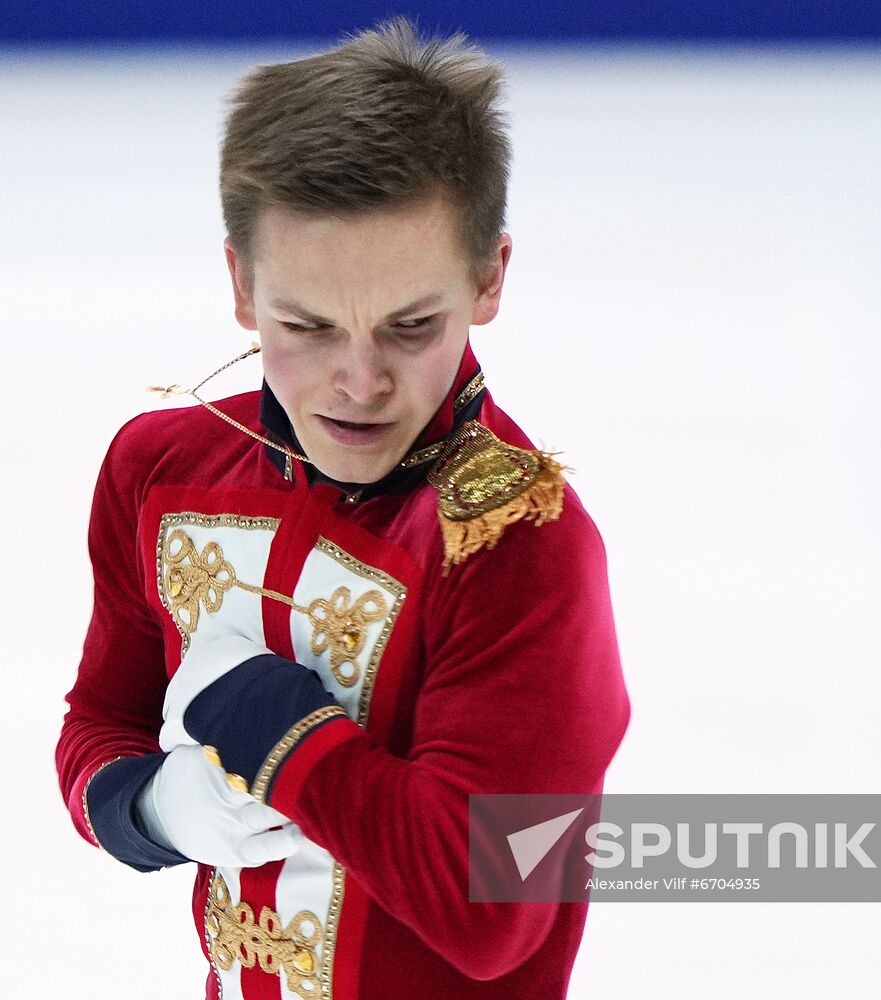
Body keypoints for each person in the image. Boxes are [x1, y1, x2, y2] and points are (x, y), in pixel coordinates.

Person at [54, 15, 630, 999]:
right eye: (306, 325)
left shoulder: (519, 544)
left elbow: (487, 910)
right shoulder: (159, 467)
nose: (356, 382)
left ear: (488, 277)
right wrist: (147, 807)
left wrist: (268, 724)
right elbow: (102, 717)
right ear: (241, 284)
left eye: (409, 326)